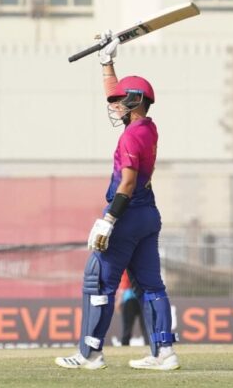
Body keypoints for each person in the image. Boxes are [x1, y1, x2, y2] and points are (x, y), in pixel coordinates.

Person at [55, 33, 179, 370]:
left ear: (135, 101)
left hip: (127, 215)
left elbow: (126, 182)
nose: (116, 104)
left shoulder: (130, 137)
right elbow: (115, 93)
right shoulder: (148, 128)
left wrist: (109, 219)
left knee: (98, 281)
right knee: (151, 285)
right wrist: (107, 62)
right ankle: (164, 352)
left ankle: (90, 353)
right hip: (148, 214)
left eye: (123, 100)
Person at [118, 269, 149, 346]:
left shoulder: (126, 267)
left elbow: (124, 284)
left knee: (127, 327)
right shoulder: (143, 266)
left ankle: (124, 347)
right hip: (142, 298)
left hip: (130, 298)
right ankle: (150, 346)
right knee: (146, 327)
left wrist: (119, 300)